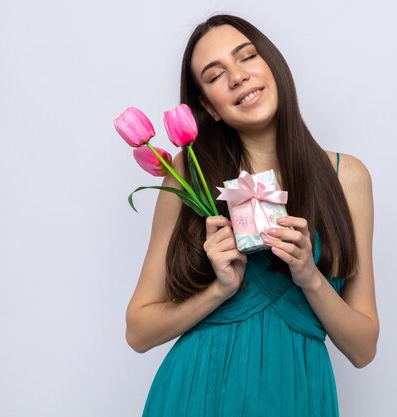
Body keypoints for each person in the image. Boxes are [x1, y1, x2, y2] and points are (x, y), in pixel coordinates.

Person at [125, 13, 379, 417]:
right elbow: (138, 331)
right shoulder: (186, 178)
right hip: (196, 392)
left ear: (272, 64)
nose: (238, 76)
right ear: (209, 106)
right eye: (215, 75)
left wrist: (310, 277)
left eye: (246, 57)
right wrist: (219, 290)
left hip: (298, 394)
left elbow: (364, 348)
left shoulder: (346, 177)